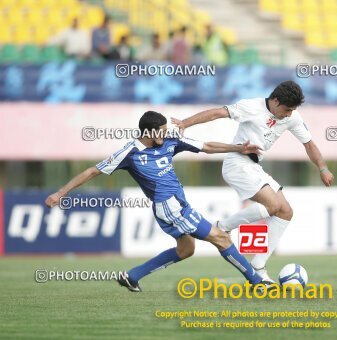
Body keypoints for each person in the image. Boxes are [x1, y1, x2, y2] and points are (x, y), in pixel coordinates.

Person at [44, 111, 274, 292]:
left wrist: (239, 148)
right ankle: (257, 283)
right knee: (221, 238)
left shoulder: (169, 141)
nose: (166, 134)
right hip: (169, 207)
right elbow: (93, 171)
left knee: (186, 250)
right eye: (161, 131)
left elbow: (206, 147)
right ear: (148, 132)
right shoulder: (129, 153)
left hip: (175, 204)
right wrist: (61, 193)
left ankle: (132, 276)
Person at [172, 80, 334, 282]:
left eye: (293, 110)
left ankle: (258, 264)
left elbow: (308, 144)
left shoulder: (292, 117)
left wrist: (322, 167)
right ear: (275, 101)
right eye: (287, 109)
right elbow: (217, 113)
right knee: (273, 205)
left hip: (254, 167)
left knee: (285, 212)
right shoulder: (251, 107)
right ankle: (222, 227)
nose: (289, 114)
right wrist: (186, 123)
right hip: (237, 163)